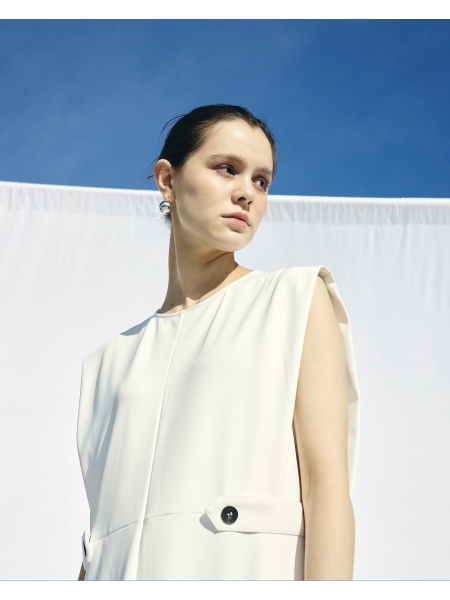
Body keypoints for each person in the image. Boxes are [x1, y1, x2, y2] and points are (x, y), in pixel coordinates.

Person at [77, 104, 360, 581]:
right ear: (167, 180)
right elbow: (97, 542)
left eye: (261, 181)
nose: (247, 192)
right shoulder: (107, 362)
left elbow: (326, 487)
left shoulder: (294, 298)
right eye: (227, 168)